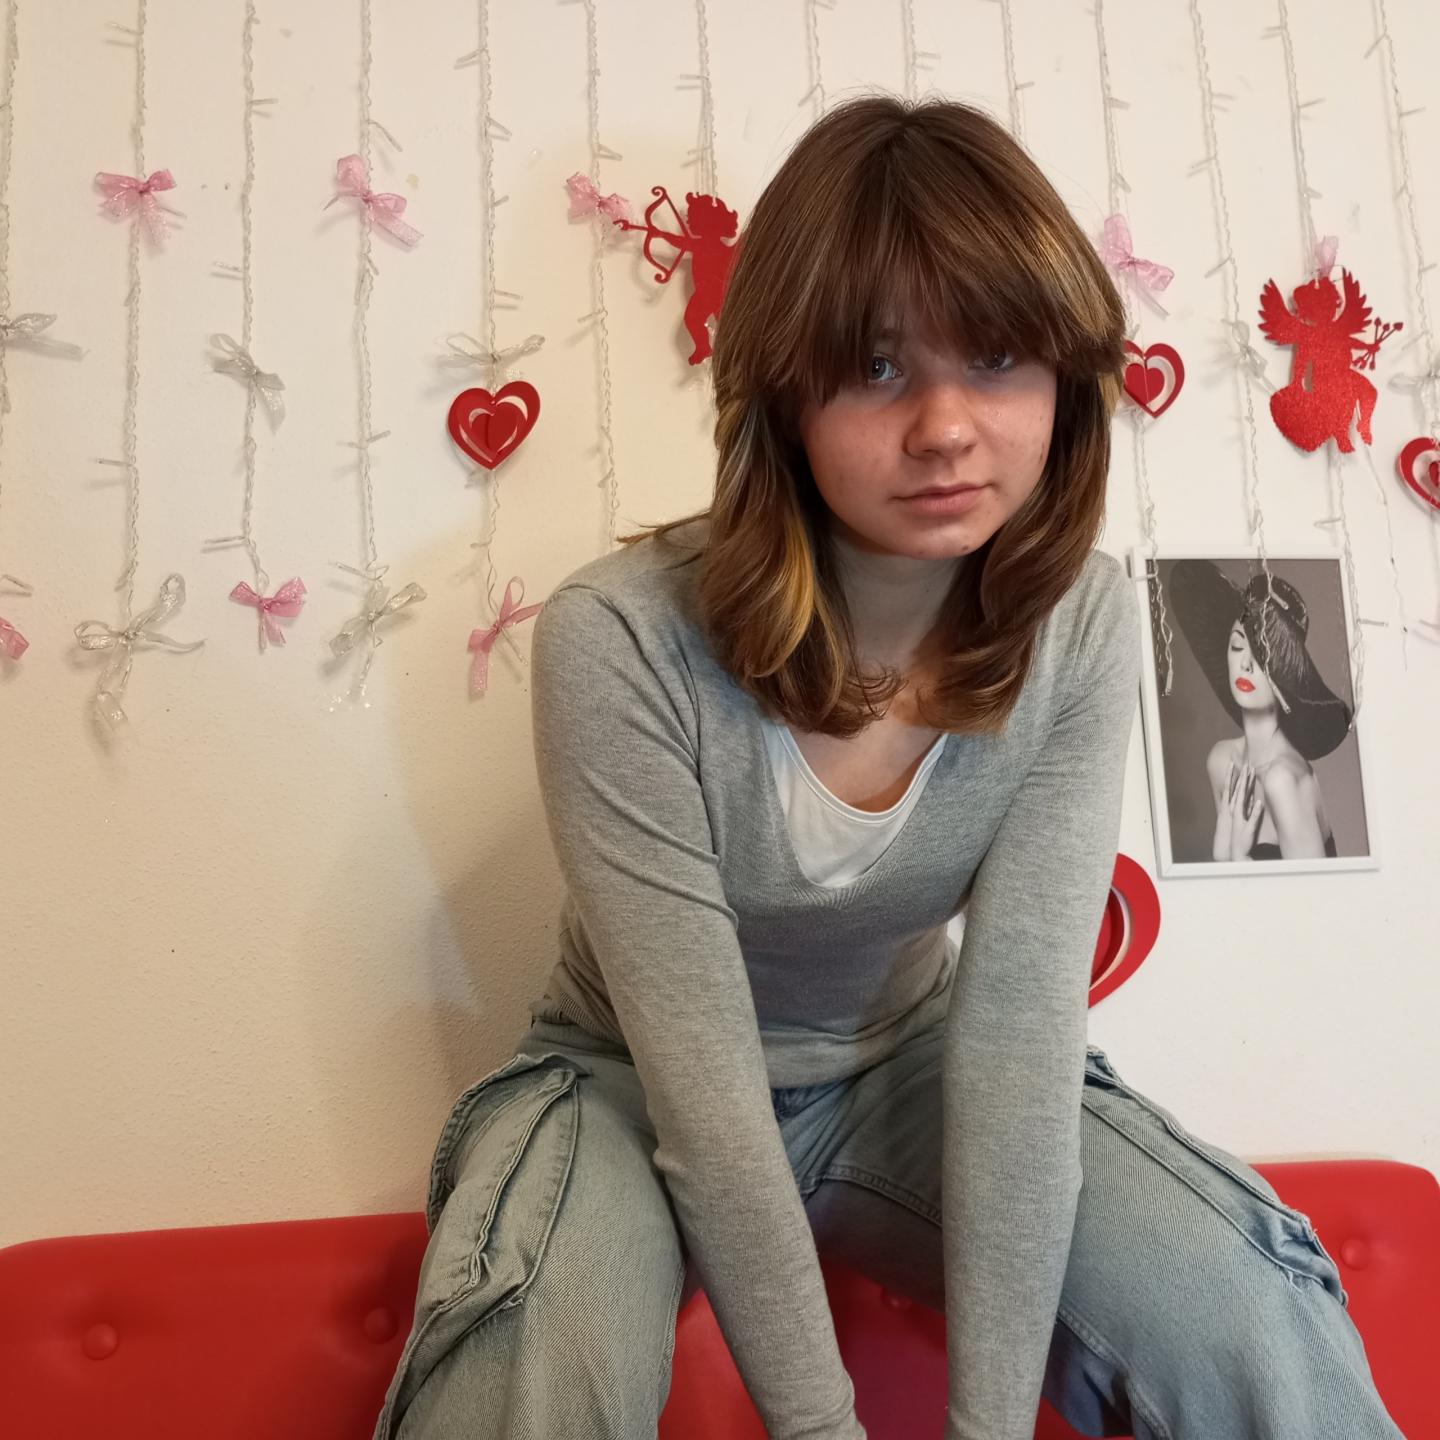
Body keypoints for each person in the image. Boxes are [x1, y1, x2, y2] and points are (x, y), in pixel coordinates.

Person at [373, 98, 1405, 1440]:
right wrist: (821, 1428)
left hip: (909, 1064)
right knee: (523, 1361)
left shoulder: (1082, 625)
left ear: (1065, 378)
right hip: (628, 1081)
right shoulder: (617, 639)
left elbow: (1020, 1034)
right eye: (873, 366)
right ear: (784, 394)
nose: (946, 427)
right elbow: (703, 1094)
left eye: (998, 357)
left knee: (1246, 1298)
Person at [1169, 560, 1352, 862]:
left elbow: (1318, 892)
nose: (1245, 664)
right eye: (1237, 646)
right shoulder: (1221, 761)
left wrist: (1237, 857)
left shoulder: (1282, 779)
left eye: (1262, 655)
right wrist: (1223, 857)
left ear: (1285, 673)